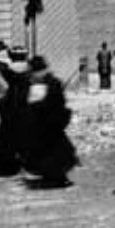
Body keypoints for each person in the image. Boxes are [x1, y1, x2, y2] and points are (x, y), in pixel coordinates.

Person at [21, 56, 79, 188]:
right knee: (46, 152)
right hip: (40, 125)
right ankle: (49, 175)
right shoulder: (37, 83)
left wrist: (38, 106)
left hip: (50, 124)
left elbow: (56, 103)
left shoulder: (52, 83)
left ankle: (56, 178)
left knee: (52, 153)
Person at [0, 45, 32, 177]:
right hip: (27, 110)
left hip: (9, 111)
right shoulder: (30, 72)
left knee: (8, 138)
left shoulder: (4, 73)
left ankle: (9, 164)